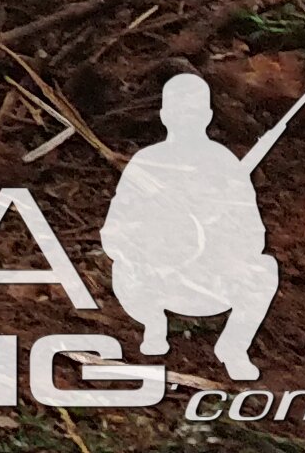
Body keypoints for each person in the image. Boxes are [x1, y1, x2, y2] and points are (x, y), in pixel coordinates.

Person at [103, 68, 290, 385]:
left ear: (207, 115)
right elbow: (114, 231)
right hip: (155, 276)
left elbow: (253, 233)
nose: (185, 118)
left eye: (193, 111)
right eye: (178, 111)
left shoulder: (224, 163)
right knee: (126, 268)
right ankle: (154, 325)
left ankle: (233, 348)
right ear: (164, 115)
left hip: (208, 277)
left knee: (264, 269)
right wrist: (151, 247)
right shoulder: (147, 162)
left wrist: (218, 232)